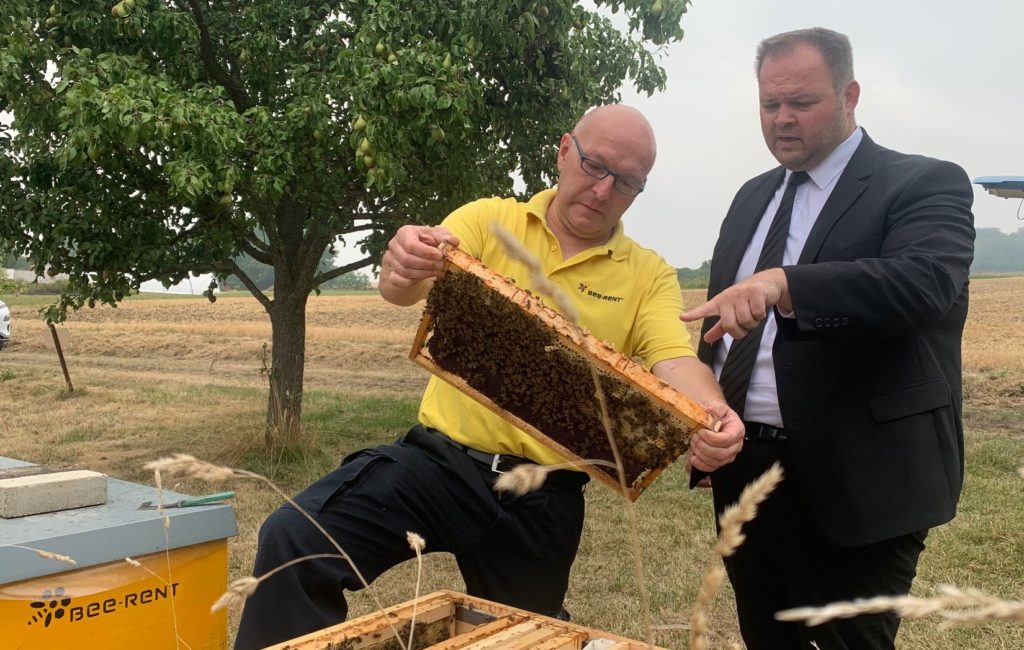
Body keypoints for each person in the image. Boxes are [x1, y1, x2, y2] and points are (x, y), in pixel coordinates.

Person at [234, 104, 745, 649]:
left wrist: (711, 413)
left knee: (530, 638)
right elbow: (408, 283)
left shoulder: (648, 274)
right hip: (438, 466)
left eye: (625, 182)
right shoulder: (488, 219)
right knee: (295, 540)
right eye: (595, 166)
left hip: (543, 497)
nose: (602, 190)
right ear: (564, 151)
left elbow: (674, 360)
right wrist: (405, 262)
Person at [681, 27, 975, 649]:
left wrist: (785, 284)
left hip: (863, 476)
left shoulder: (924, 183)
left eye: (802, 102)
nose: (782, 118)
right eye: (770, 104)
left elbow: (921, 284)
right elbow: (723, 325)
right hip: (746, 468)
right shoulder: (751, 197)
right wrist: (704, 421)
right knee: (766, 637)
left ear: (850, 95)